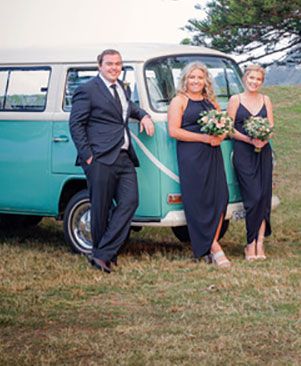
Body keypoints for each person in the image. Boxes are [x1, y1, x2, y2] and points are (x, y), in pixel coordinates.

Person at [69, 49, 155, 273]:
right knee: (101, 208)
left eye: (118, 64)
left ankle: (101, 254)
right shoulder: (87, 90)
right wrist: (88, 156)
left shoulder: (123, 88)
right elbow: (76, 125)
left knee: (129, 202)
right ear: (99, 65)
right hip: (99, 158)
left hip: (124, 156)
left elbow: (127, 108)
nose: (114, 68)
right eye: (109, 64)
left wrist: (143, 115)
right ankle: (104, 255)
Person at [167, 62, 231, 267]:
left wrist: (219, 137)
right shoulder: (179, 101)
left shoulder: (211, 101)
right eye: (192, 77)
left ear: (206, 80)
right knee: (198, 201)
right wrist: (203, 138)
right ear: (185, 79)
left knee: (220, 198)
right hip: (191, 155)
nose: (196, 81)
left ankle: (210, 245)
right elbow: (174, 131)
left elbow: (223, 125)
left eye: (199, 77)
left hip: (213, 153)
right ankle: (214, 247)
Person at [227, 65, 274, 261]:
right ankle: (249, 243)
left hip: (263, 152)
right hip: (243, 152)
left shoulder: (266, 100)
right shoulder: (235, 100)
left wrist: (264, 138)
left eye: (258, 79)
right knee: (253, 197)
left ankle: (260, 244)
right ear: (245, 78)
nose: (254, 82)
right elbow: (228, 128)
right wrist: (249, 139)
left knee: (263, 198)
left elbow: (271, 126)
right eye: (251, 78)